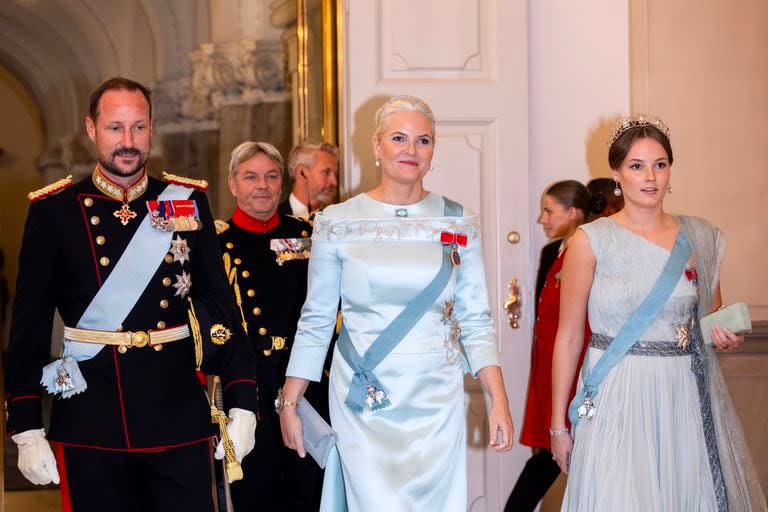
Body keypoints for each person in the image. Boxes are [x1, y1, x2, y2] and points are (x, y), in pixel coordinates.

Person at [4, 77, 259, 512]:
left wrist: (243, 400)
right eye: (115, 127)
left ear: (152, 128)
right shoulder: (55, 210)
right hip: (91, 418)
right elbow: (29, 323)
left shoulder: (185, 200)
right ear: (91, 129)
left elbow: (221, 307)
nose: (128, 141)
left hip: (176, 414)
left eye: (138, 127)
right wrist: (26, 427)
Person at [277, 95, 514, 511]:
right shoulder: (337, 221)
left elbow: (475, 318)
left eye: (423, 140)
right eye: (399, 138)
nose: (411, 150)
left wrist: (498, 398)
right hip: (365, 396)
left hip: (435, 395)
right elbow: (315, 319)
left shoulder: (459, 220)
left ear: (433, 151)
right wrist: (291, 401)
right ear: (376, 145)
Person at [550, 114, 767, 511]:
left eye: (660, 164)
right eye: (636, 166)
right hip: (615, 392)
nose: (650, 177)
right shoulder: (590, 241)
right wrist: (557, 427)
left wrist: (725, 339)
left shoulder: (699, 237)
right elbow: (567, 338)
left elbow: (709, 321)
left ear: (670, 170)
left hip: (680, 392)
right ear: (617, 173)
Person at [216, 141, 326, 510]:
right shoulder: (217, 246)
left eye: (271, 176)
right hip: (250, 393)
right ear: (233, 184)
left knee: (311, 495)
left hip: (310, 387)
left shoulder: (311, 236)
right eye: (251, 177)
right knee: (256, 498)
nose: (262, 185)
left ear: (283, 183)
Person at [504, 181, 600, 511]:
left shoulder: (591, 252)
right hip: (548, 368)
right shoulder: (551, 252)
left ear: (573, 213)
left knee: (555, 457)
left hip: (577, 372)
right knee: (549, 454)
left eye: (549, 210)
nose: (542, 219)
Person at [278, 140, 339, 220]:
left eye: (335, 174)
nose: (334, 182)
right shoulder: (269, 219)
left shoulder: (338, 221)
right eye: (327, 172)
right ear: (301, 172)